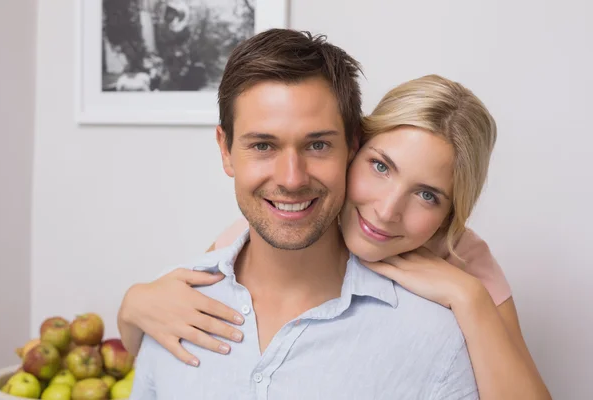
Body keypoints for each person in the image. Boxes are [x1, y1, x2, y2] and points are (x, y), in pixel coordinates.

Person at [122, 30, 551, 399]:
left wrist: (469, 298)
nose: (385, 210)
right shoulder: (244, 242)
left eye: (427, 195)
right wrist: (133, 305)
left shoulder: (463, 268)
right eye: (381, 167)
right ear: (360, 149)